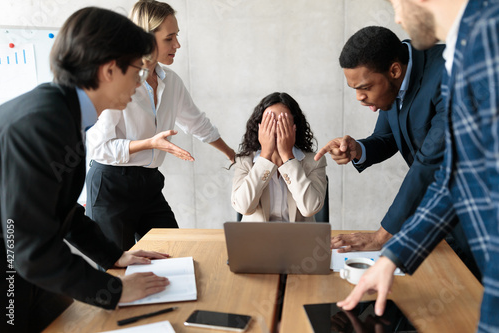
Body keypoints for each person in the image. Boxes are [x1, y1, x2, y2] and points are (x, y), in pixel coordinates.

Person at [0, 7, 171, 332]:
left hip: (25, 266)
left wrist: (113, 257)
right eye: (136, 71)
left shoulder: (62, 113)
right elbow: (30, 250)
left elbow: (61, 210)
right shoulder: (41, 124)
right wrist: (115, 290)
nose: (139, 83)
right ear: (108, 70)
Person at [338, 1, 499, 331]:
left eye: (398, 2)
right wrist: (394, 255)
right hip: (454, 228)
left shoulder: (477, 46)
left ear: (394, 72)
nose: (397, 16)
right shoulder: (459, 52)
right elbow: (455, 175)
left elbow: (432, 166)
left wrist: (384, 237)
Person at [85, 0, 235, 251]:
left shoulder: (171, 81)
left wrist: (232, 155)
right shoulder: (118, 79)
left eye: (177, 37)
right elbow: (99, 147)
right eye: (170, 38)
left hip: (149, 183)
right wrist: (150, 143)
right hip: (111, 185)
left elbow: (197, 123)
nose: (177, 45)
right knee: (116, 272)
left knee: (171, 253)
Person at [231, 92, 327, 222]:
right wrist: (265, 156)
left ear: (295, 127)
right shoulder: (244, 161)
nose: (276, 128)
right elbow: (244, 207)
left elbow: (309, 208)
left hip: (298, 239)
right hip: (257, 239)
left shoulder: (314, 161)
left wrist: (287, 157)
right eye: (269, 122)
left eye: (283, 122)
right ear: (259, 127)